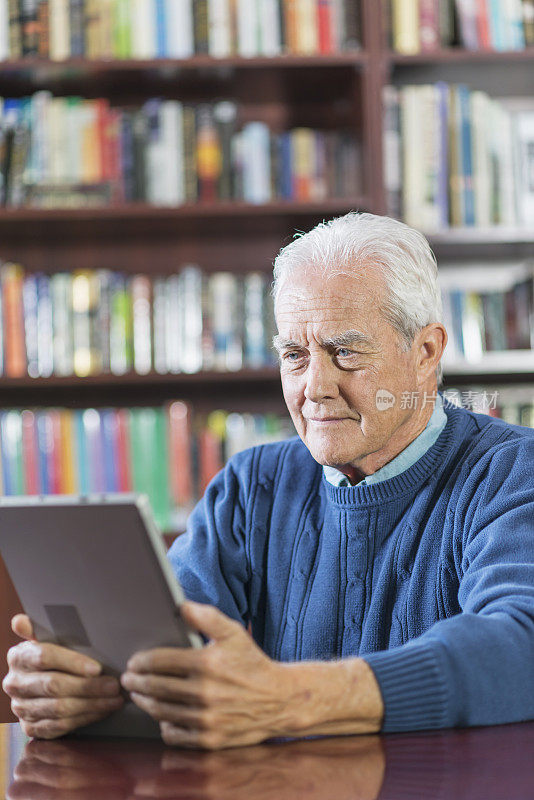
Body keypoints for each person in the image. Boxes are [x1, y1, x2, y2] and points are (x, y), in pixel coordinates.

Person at [4, 213, 534, 750]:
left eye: (345, 352)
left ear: (426, 353)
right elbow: (163, 645)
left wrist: (295, 698)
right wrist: (84, 684)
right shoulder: (253, 484)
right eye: (294, 356)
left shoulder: (512, 472)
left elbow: (521, 643)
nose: (314, 388)